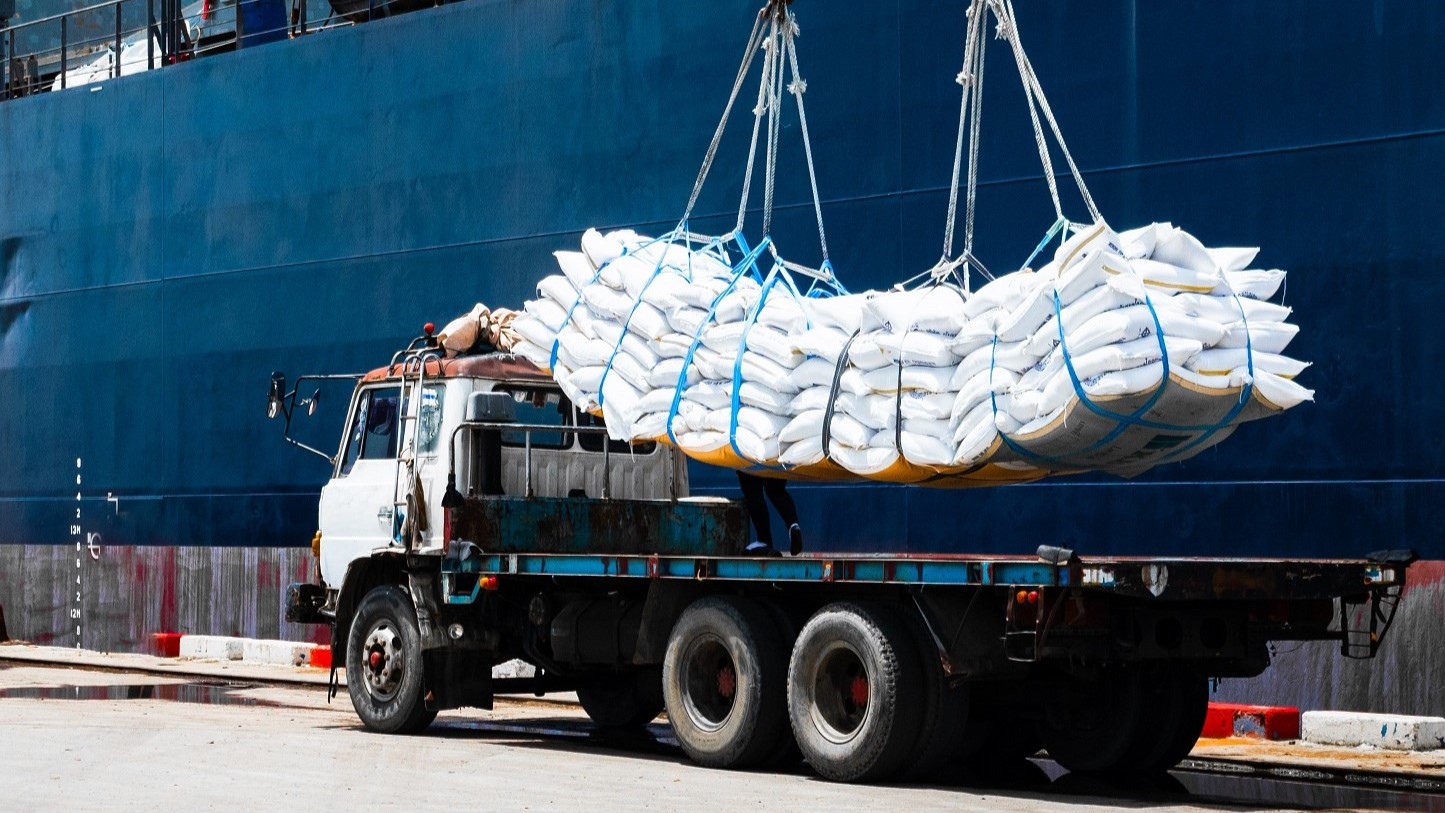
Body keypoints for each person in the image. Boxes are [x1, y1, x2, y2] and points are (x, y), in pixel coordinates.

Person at [737, 471, 803, 556]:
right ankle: (793, 525)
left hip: (751, 459)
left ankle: (764, 540)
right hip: (776, 458)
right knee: (776, 489)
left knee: (752, 490)